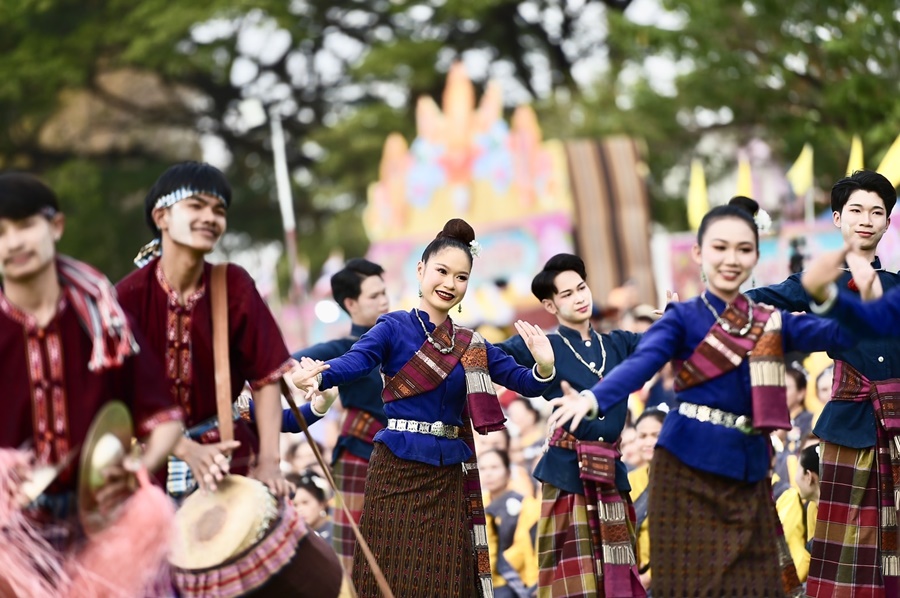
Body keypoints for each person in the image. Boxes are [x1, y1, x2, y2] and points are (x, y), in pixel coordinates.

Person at [550, 197, 854, 596]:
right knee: (695, 583)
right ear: (699, 253)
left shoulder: (767, 319)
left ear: (755, 254)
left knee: (756, 583)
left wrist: (840, 297)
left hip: (748, 462)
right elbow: (640, 364)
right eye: (720, 247)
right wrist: (592, 399)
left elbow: (841, 332)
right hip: (688, 464)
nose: (731, 259)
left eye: (743, 248)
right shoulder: (684, 317)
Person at [292, 218, 556, 597]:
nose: (450, 283)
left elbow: (524, 381)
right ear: (421, 270)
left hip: (447, 474)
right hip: (396, 470)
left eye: (461, 277)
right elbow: (357, 360)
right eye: (442, 271)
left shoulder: (471, 343)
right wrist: (322, 375)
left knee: (444, 577)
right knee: (391, 573)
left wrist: (544, 366)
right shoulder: (393, 327)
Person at [0, 173, 184, 592]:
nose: (12, 243)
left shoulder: (107, 320)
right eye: (1, 233)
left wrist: (138, 469)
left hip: (105, 528)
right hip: (12, 538)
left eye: (24, 225)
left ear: (56, 226)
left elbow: (165, 420)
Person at [747, 170, 900, 597]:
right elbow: (760, 300)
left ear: (888, 222)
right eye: (856, 210)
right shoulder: (816, 283)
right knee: (850, 548)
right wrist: (697, 310)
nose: (866, 220)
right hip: (850, 430)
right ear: (837, 218)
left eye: (877, 212)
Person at [116, 161, 295, 499]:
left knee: (284, 530)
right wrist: (184, 448)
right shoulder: (127, 297)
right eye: (196, 206)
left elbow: (266, 379)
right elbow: (114, 394)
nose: (210, 218)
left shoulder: (234, 284)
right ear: (162, 217)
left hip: (230, 456)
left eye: (218, 210)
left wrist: (270, 463)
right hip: (146, 463)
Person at [495, 253, 645, 598]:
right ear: (550, 305)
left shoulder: (618, 343)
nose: (579, 298)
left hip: (610, 470)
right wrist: (542, 367)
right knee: (573, 583)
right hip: (566, 471)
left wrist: (675, 322)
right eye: (567, 294)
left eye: (581, 288)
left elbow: (666, 346)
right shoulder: (541, 343)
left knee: (618, 577)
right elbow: (485, 356)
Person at [250, 258, 389, 571]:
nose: (384, 300)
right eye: (374, 295)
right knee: (356, 550)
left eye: (384, 293)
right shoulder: (340, 347)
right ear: (350, 304)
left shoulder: (402, 337)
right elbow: (281, 368)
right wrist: (304, 379)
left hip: (406, 452)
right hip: (362, 453)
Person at [481, 449, 540, 598]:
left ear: (507, 471)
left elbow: (525, 546)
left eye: (494, 467)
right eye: (483, 469)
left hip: (514, 580)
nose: (488, 473)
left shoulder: (526, 504)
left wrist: (498, 565)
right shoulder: (476, 505)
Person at [627, 407, 667, 592]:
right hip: (635, 577)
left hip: (666, 578)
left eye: (655, 435)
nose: (648, 442)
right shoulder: (630, 480)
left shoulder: (682, 481)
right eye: (642, 436)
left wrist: (650, 577)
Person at [288, 470, 333, 541]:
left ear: (321, 503)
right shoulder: (298, 538)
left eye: (305, 502)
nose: (300, 509)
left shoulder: (336, 532)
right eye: (295, 505)